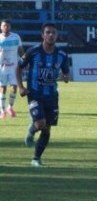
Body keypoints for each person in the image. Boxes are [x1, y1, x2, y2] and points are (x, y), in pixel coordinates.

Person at [17, 23, 69, 167]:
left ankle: (36, 158)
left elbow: (66, 73)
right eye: (48, 32)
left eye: (53, 32)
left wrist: (66, 77)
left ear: (57, 35)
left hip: (52, 96)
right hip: (34, 94)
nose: (51, 35)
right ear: (43, 35)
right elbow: (18, 67)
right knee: (40, 124)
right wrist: (21, 87)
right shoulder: (33, 52)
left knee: (47, 129)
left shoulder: (62, 55)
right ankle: (32, 129)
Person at [0, 19, 24, 119]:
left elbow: (21, 50)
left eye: (8, 26)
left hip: (14, 67)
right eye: (4, 26)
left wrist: (24, 60)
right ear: (1, 27)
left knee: (14, 88)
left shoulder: (16, 37)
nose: (6, 27)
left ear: (10, 27)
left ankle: (10, 107)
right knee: (3, 89)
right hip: (2, 68)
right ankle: (2, 110)